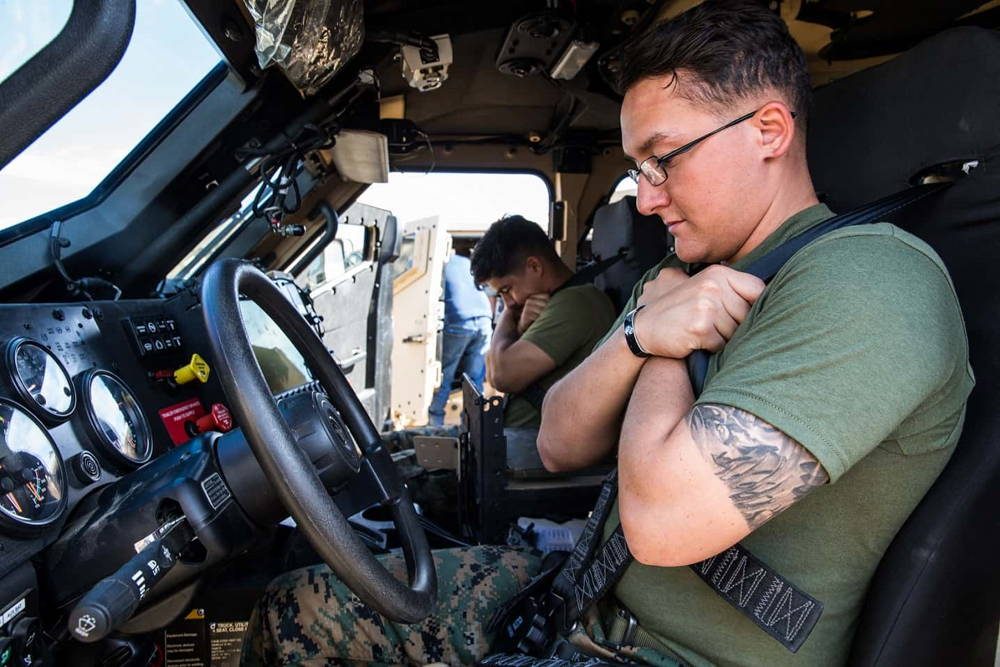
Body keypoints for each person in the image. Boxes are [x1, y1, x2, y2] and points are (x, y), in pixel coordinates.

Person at [241, 2, 973, 665]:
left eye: (664, 158)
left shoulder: (870, 282)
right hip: (587, 601)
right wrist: (644, 330)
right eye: (636, 168)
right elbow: (560, 439)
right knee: (295, 603)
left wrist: (661, 342)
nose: (647, 197)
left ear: (768, 131)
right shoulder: (679, 276)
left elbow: (659, 522)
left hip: (675, 653)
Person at [473, 215, 616, 429]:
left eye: (507, 289)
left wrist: (507, 317)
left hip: (532, 449)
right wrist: (520, 327)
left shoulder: (574, 304)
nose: (509, 302)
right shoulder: (554, 302)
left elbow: (501, 376)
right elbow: (494, 365)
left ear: (534, 266)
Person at [428, 245, 492, 426]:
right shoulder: (465, 263)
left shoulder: (439, 265)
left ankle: (434, 424)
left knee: (443, 375)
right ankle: (474, 427)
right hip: (484, 318)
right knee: (475, 379)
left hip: (458, 320)